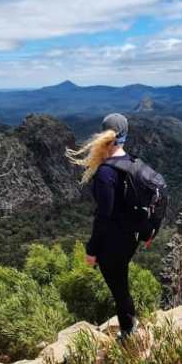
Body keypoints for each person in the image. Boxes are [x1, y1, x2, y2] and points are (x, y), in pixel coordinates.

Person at [66, 113, 142, 340]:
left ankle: (129, 333)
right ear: (125, 135)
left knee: (119, 288)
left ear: (103, 134)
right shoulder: (133, 162)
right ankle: (131, 324)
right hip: (131, 237)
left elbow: (103, 216)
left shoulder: (106, 172)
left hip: (114, 241)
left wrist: (92, 250)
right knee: (122, 281)